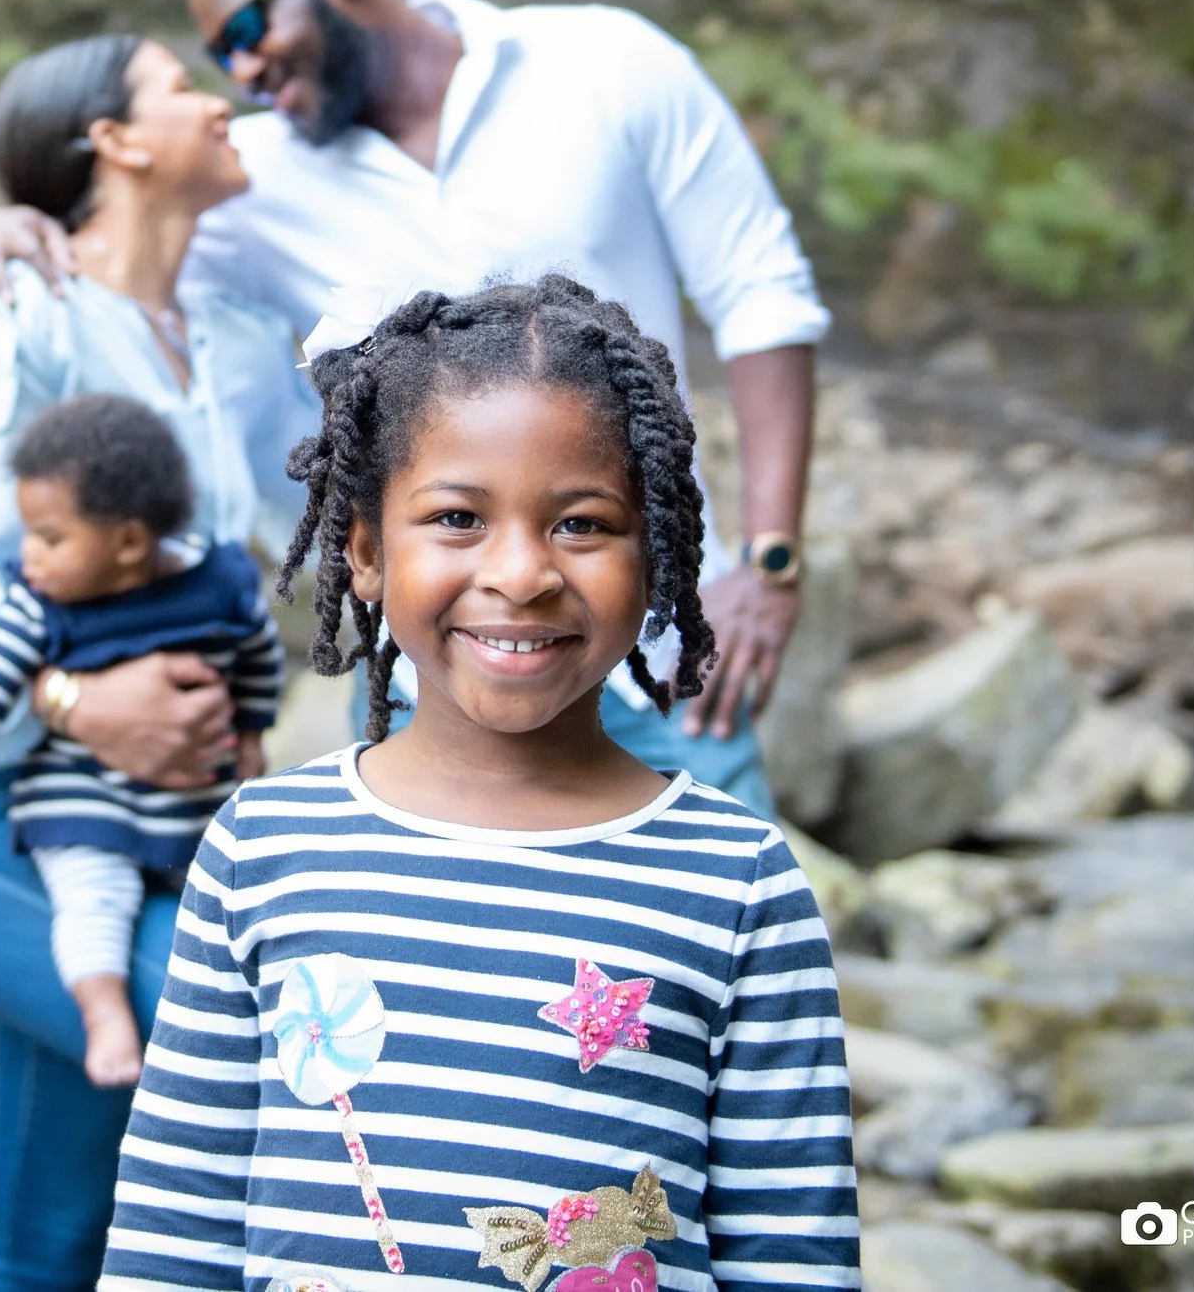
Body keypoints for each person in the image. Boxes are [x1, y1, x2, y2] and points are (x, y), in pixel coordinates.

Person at [0, 0, 828, 822]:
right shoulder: (255, 179)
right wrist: (9, 220)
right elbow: (115, 239)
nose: (242, 72)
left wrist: (768, 565)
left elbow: (761, 293)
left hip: (652, 637)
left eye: (247, 28)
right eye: (216, 57)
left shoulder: (608, 63)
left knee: (717, 926)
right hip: (435, 677)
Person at [102, 278, 858, 1291]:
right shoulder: (264, 846)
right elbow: (171, 1231)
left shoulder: (739, 881)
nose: (521, 572)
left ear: (659, 556)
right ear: (366, 551)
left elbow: (795, 1258)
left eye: (582, 525)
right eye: (456, 517)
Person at [0, 34, 314, 1292]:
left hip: (150, 822)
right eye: (181, 86)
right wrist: (76, 701)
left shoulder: (229, 339)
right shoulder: (13, 313)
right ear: (110, 141)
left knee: (54, 1230)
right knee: (247, 1068)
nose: (220, 103)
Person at [0, 393, 282, 1089]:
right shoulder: (40, 604)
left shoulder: (222, 582)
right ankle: (103, 1008)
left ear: (129, 544)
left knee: (232, 889)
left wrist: (252, 732)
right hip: (81, 801)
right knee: (93, 897)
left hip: (192, 803)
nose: (27, 558)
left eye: (49, 538)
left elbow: (260, 652)